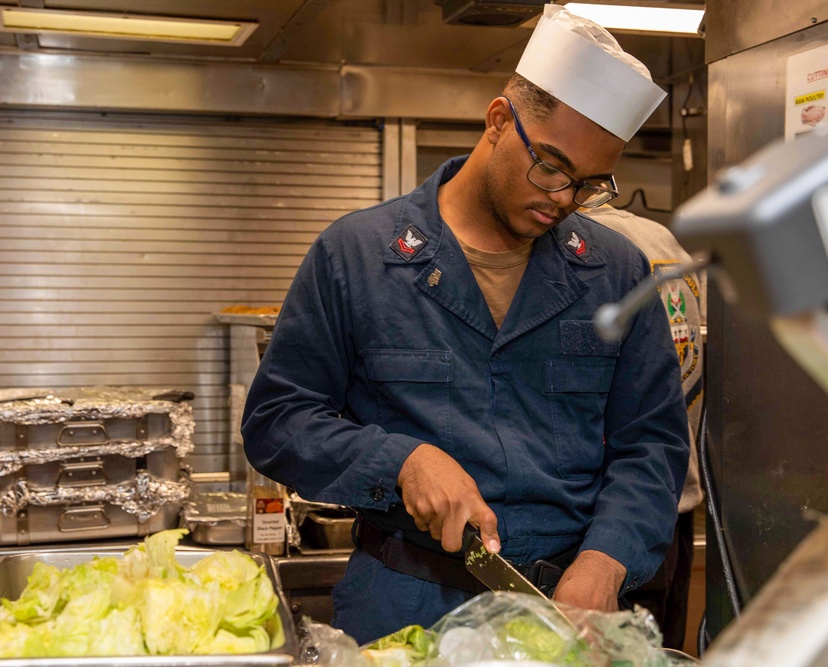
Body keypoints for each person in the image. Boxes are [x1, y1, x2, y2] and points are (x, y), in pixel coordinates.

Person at [242, 4, 690, 644]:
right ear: (498, 121)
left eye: (590, 185)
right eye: (553, 168)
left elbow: (651, 445)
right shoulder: (358, 256)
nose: (564, 200)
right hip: (403, 609)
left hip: (567, 617)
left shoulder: (617, 273)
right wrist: (400, 459)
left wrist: (606, 558)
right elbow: (277, 422)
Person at [583, 203, 704, 650]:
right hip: (671, 506)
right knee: (661, 647)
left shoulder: (576, 248)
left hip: (604, 523)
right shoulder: (667, 244)